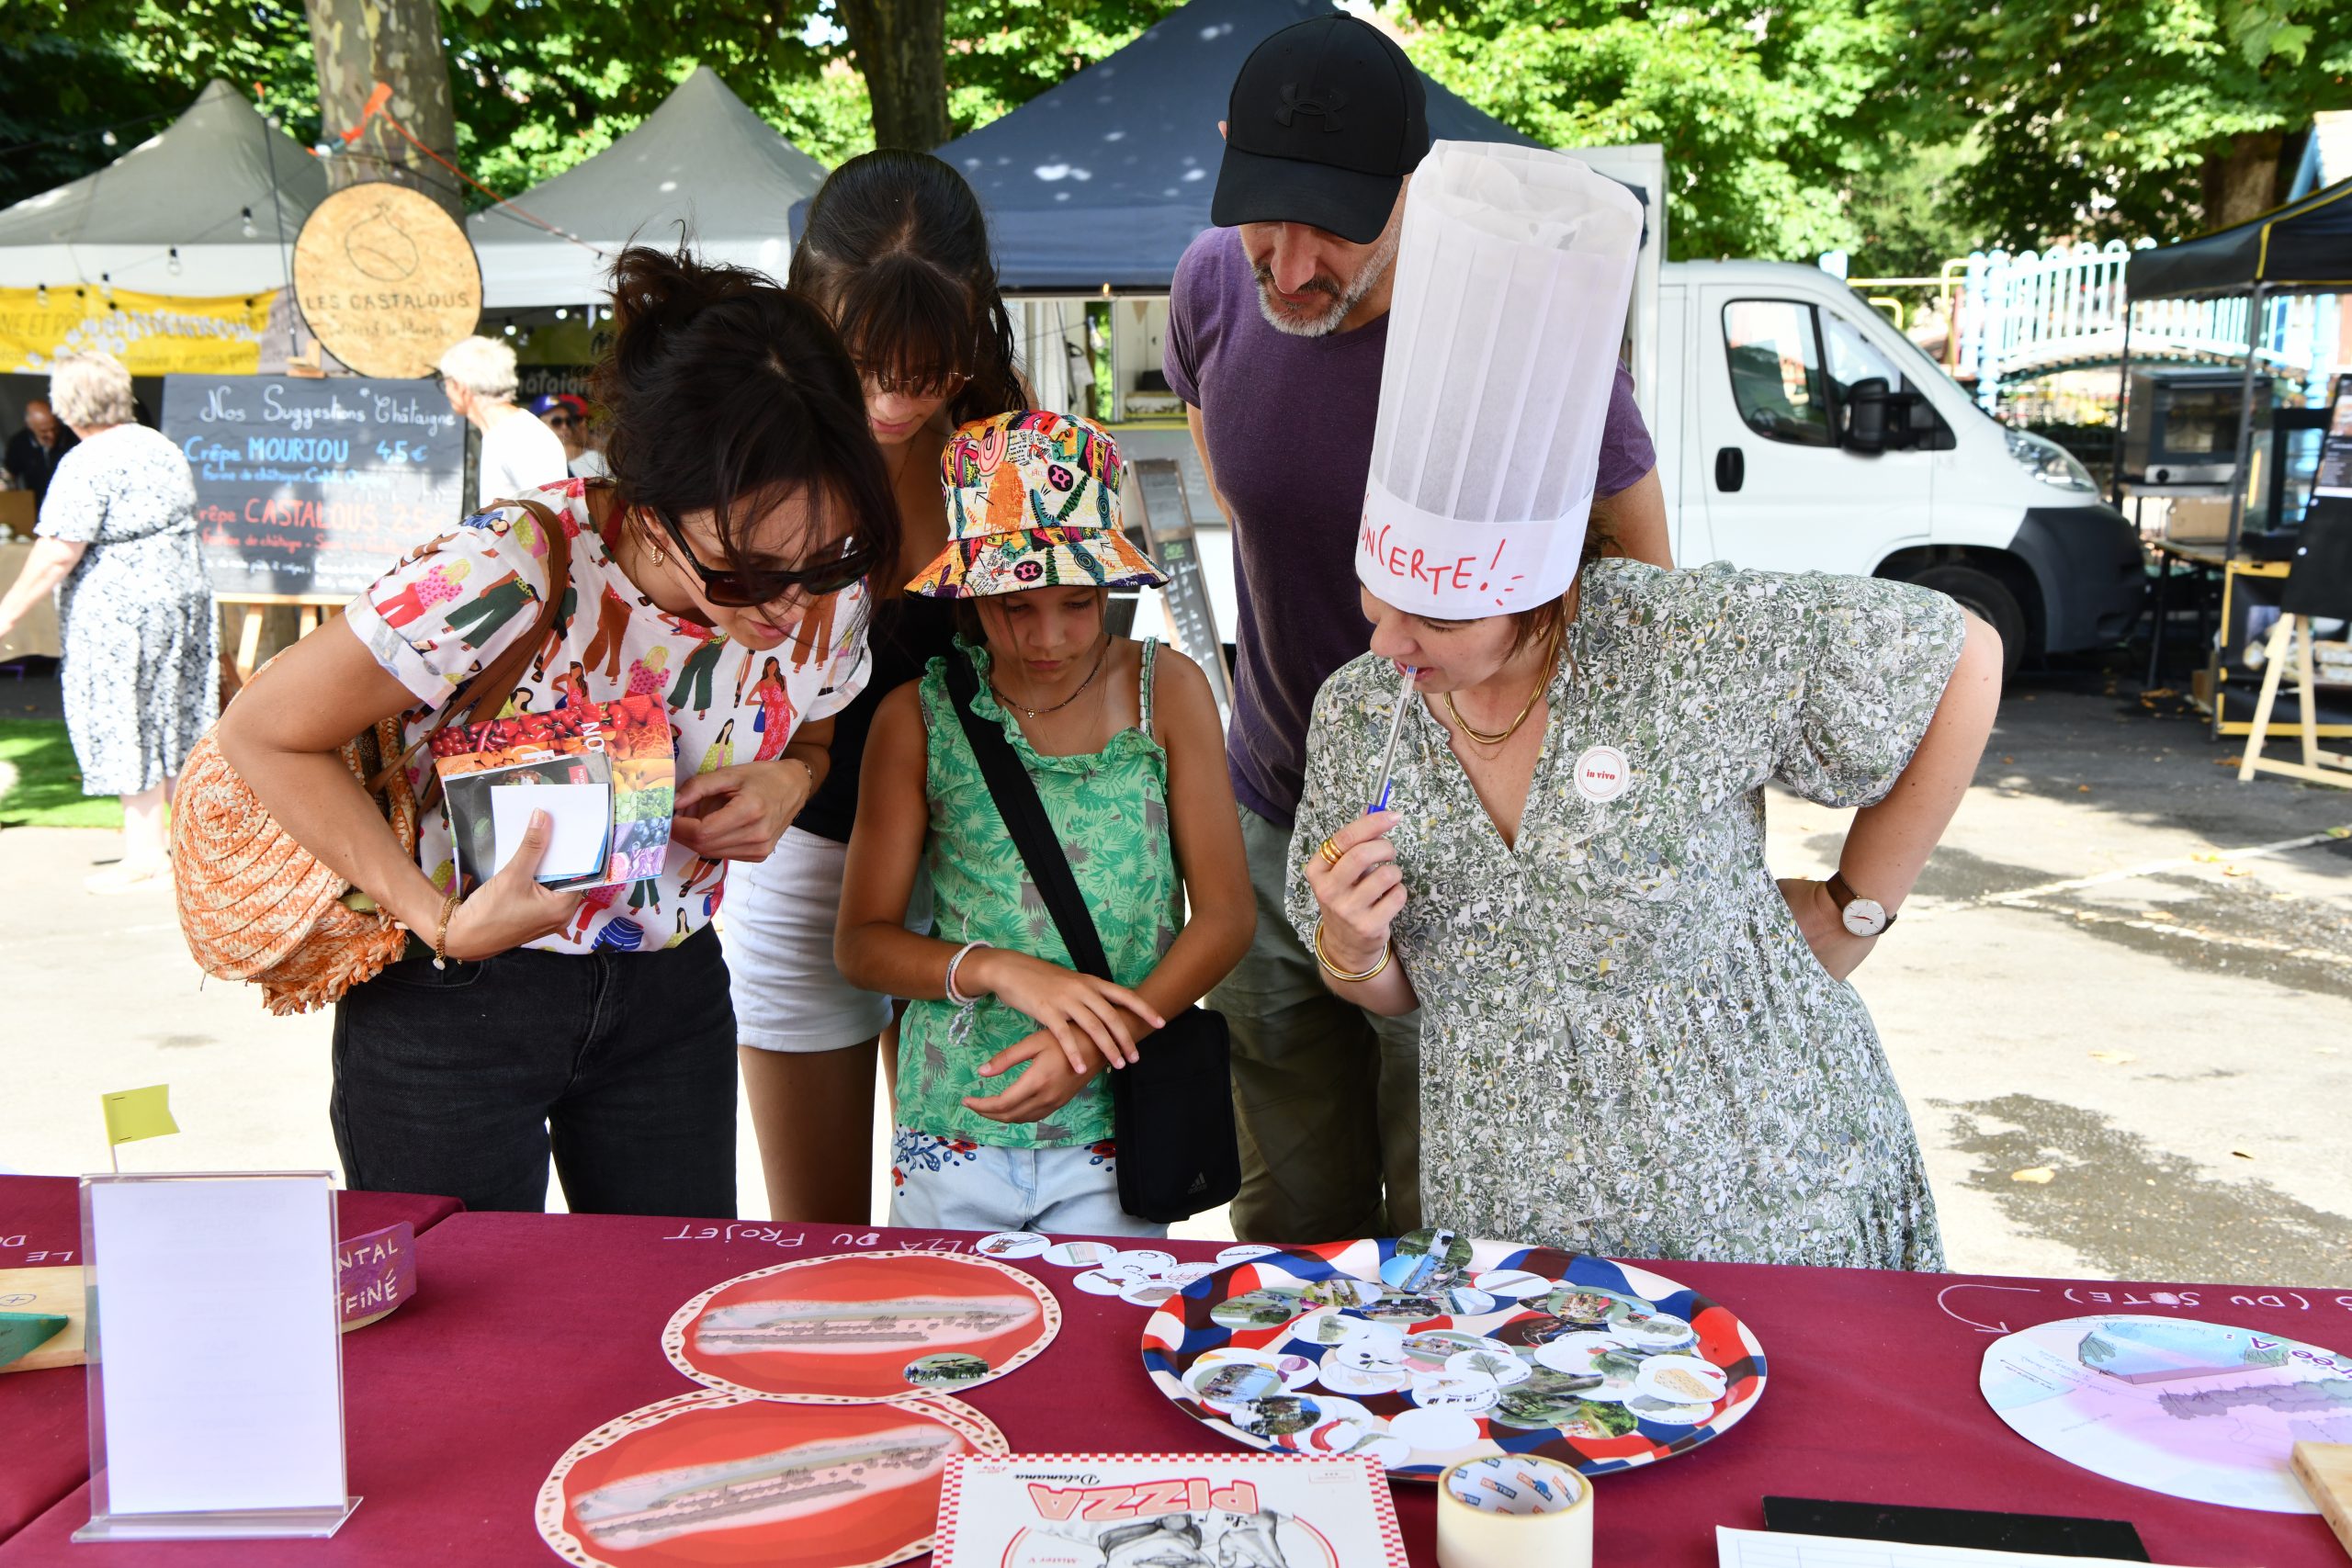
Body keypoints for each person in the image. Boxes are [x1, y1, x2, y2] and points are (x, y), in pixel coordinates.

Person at [1291, 143, 2003, 1270]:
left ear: (1536, 588)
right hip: (1519, 1221)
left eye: (1430, 618)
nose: (1386, 644)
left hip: (1767, 1196)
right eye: (1376, 601)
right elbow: (1400, 996)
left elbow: (1962, 653)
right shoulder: (1357, 711)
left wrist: (1859, 903)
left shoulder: (1679, 641)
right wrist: (1349, 940)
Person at [214, 246, 896, 1215]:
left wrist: (792, 782)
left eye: (826, 558)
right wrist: (440, 921)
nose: (791, 607)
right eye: (743, 572)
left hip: (670, 989)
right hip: (455, 1001)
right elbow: (263, 732)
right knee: (468, 1308)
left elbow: (816, 736)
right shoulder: (504, 567)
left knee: (662, 1297)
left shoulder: (833, 590)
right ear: (649, 507)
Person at [1166, 12, 1673, 1244]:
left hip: (1466, 846)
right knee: (1291, 1224)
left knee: (1455, 1221)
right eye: (1265, 217)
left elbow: (1642, 581)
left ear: (1413, 182)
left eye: (1334, 227)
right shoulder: (1211, 283)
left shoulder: (1518, 314)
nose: (1291, 266)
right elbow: (1234, 481)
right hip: (1272, 810)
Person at [836, 411, 1253, 1238]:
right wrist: (995, 968)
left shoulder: (1167, 691)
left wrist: (1099, 1039)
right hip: (954, 1122)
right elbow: (862, 944)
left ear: (1108, 586)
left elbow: (1227, 915)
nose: (1049, 637)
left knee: (1103, 1323)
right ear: (970, 594)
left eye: (1078, 602)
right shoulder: (917, 717)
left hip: (1116, 1128)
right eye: (1015, 606)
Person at [720, 149, 1028, 1224]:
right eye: (864, 364)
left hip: (969, 876)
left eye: (928, 368)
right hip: (802, 867)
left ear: (974, 323)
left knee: (960, 1227)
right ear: (808, 309)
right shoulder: (745, 456)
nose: (894, 400)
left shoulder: (1002, 457)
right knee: (819, 1238)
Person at [0, 354, 215, 892]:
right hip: (182, 603)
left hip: (121, 614)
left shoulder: (87, 461)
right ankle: (195, 850)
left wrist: (7, 613)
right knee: (177, 718)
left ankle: (144, 855)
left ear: (67, 405)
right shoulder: (160, 446)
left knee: (126, 721)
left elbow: (57, 552)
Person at [439, 336, 571, 507]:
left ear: (461, 387)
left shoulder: (520, 436)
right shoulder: (504, 432)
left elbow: (551, 511)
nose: (446, 390)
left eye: (446, 382)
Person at [4, 399, 78, 502]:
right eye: (44, 431)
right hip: (38, 504)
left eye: (55, 429)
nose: (51, 435)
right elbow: (9, 475)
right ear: (30, 426)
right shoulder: (19, 443)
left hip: (72, 499)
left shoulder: (74, 437)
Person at [531, 392, 611, 479]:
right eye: (556, 422)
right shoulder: (530, 463)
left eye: (569, 421)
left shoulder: (594, 458)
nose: (565, 426)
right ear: (537, 425)